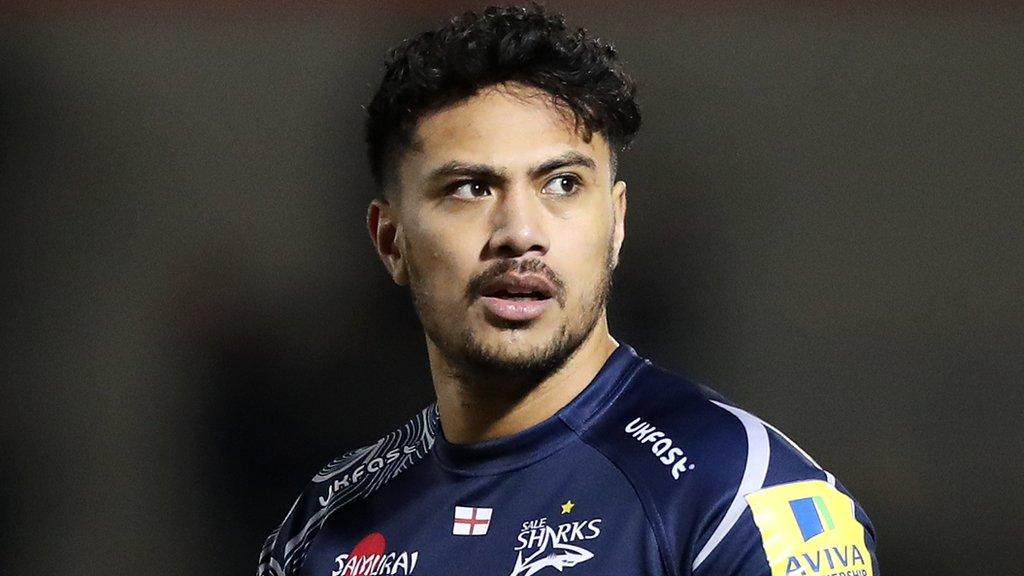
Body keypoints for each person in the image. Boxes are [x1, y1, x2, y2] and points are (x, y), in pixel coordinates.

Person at [257, 5, 880, 576]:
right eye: (472, 188)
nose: (520, 234)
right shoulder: (323, 528)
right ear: (391, 241)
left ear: (617, 224)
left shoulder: (738, 499)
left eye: (561, 185)